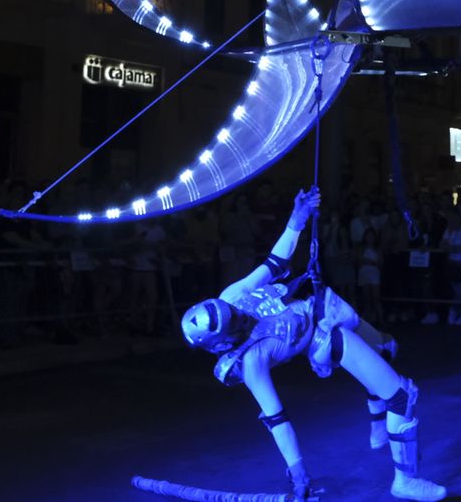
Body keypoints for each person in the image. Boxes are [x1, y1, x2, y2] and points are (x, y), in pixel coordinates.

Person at [177, 188, 447, 501]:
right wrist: (297, 470)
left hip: (325, 307)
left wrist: (297, 218)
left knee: (387, 346)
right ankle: (405, 480)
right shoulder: (250, 361)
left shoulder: (231, 297)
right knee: (401, 396)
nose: (240, 313)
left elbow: (275, 264)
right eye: (235, 320)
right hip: (323, 337)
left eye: (234, 311)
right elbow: (277, 418)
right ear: (220, 342)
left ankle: (376, 411)